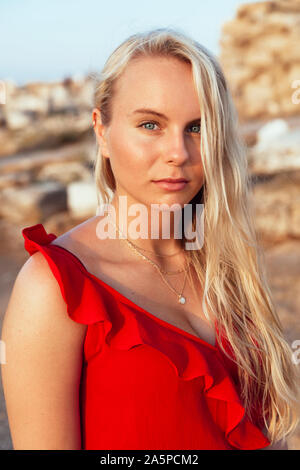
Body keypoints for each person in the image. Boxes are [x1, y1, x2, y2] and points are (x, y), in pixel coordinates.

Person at [1, 27, 299, 451]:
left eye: (196, 127)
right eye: (150, 124)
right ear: (101, 131)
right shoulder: (54, 288)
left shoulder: (229, 269)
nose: (178, 151)